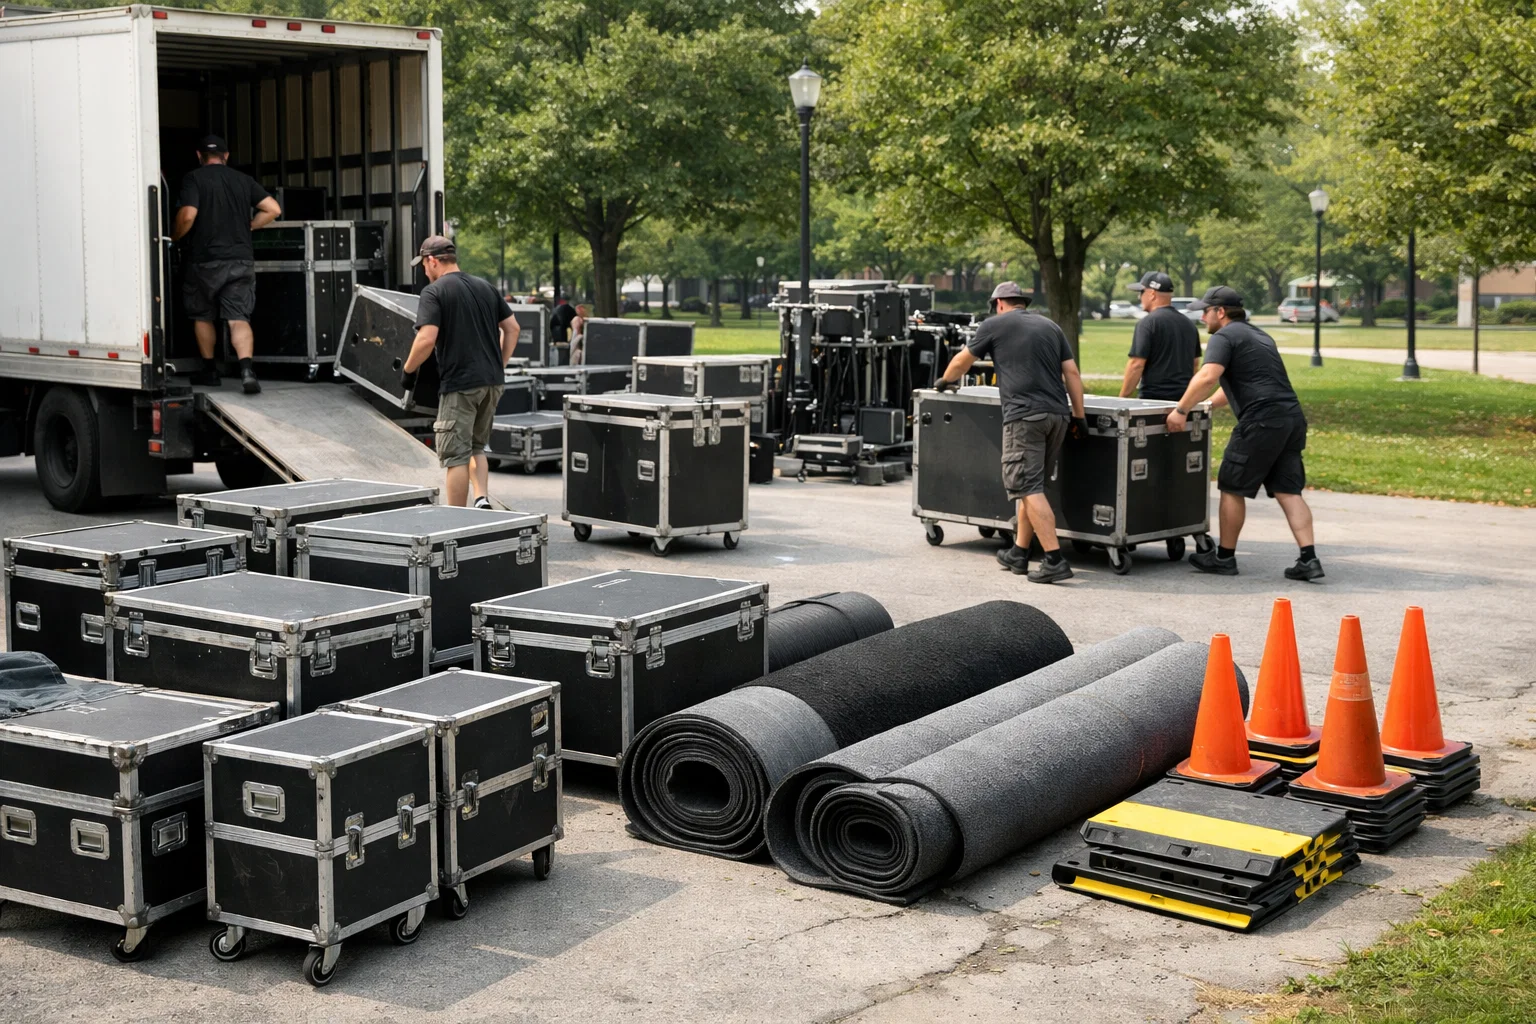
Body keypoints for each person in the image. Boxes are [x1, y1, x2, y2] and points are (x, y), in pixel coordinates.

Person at [933, 282, 1087, 584]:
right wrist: (1078, 416)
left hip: (1025, 417)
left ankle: (1054, 559)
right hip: (1056, 415)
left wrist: (943, 381)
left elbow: (962, 361)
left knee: (1026, 486)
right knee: (1032, 485)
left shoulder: (994, 325)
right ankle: (1019, 551)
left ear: (1000, 303)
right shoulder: (1051, 326)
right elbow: (1072, 373)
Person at [1166, 285, 1323, 581]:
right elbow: (1247, 381)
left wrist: (1181, 410)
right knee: (1288, 490)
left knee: (1231, 486)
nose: (1202, 317)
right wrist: (1210, 404)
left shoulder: (1223, 336)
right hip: (1290, 418)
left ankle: (1224, 558)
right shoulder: (1259, 335)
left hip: (1261, 421)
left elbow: (1208, 375)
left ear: (1220, 312)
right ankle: (1309, 559)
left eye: (1205, 311)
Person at [401, 236, 520, 508]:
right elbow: (513, 328)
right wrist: (498, 365)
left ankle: (457, 520)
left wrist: (408, 371)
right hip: (491, 383)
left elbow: (426, 339)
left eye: (424, 265)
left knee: (455, 456)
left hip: (460, 385)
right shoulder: (485, 287)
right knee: (477, 447)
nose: (424, 271)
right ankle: (481, 499)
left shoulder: (434, 292)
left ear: (432, 260)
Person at [172, 135, 281, 394]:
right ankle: (246, 371)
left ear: (199, 156)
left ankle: (209, 371)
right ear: (226, 155)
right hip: (240, 260)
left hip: (205, 261)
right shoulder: (243, 180)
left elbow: (188, 215)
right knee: (238, 317)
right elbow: (274, 209)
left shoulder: (194, 179)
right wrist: (250, 225)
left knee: (202, 314)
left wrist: (174, 237)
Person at [1120, 271, 1200, 400]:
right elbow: (1195, 363)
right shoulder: (1189, 324)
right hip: (1182, 401)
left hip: (1153, 400)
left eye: (1141, 292)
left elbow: (1136, 364)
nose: (1139, 298)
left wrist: (1122, 398)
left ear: (1151, 294)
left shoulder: (1147, 323)